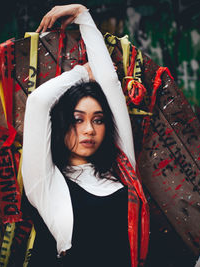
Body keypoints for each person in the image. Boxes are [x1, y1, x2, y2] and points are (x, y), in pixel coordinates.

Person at [22, 4, 149, 267]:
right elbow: (38, 102)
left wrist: (83, 15)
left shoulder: (123, 171)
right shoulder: (46, 183)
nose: (89, 129)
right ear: (61, 125)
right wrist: (81, 73)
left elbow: (111, 86)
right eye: (77, 120)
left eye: (98, 120)